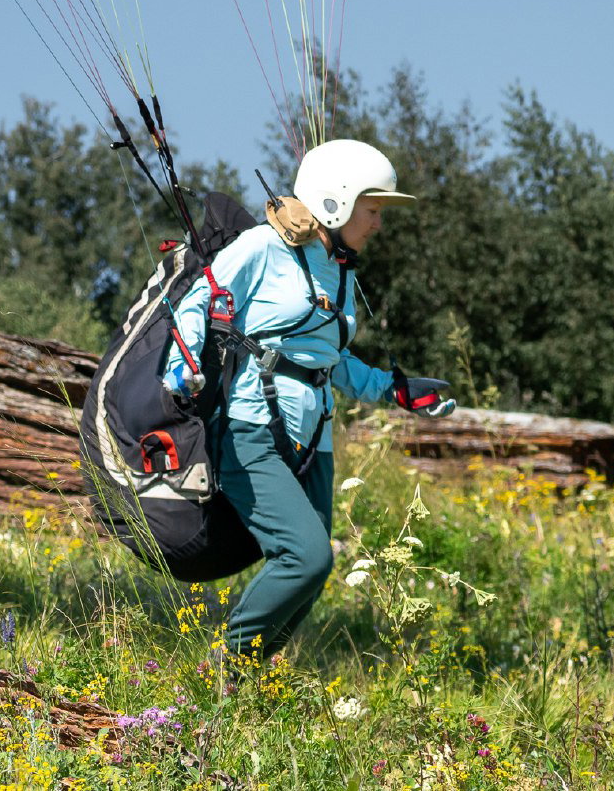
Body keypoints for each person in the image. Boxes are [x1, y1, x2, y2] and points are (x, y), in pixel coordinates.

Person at [160, 139, 456, 659]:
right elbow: (199, 297)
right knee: (306, 557)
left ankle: (254, 678)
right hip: (253, 427)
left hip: (313, 437)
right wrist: (181, 362)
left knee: (313, 572)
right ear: (337, 201)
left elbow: (330, 361)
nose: (378, 223)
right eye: (373, 209)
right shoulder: (262, 247)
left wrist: (395, 390)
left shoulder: (338, 270)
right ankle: (224, 670)